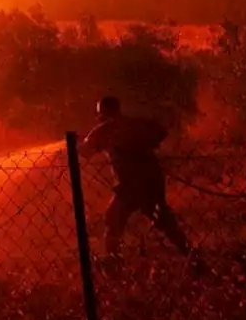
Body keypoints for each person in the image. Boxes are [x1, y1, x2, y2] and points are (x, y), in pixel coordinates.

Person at [80, 95, 194, 264]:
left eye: (99, 114)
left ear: (103, 113)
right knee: (163, 219)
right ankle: (192, 256)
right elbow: (161, 132)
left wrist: (77, 143)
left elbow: (85, 152)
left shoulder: (104, 130)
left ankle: (113, 262)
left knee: (113, 219)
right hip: (152, 180)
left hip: (129, 185)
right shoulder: (136, 123)